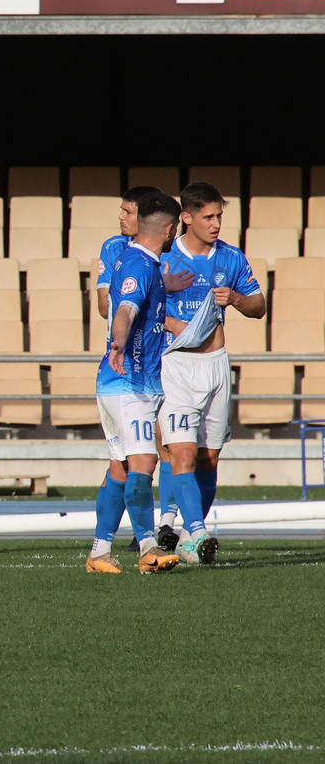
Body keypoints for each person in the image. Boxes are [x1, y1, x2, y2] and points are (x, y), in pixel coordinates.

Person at [156, 181, 266, 565]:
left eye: (220, 216)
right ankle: (199, 530)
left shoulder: (231, 258)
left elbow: (259, 305)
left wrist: (236, 299)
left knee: (209, 459)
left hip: (216, 365)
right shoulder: (164, 259)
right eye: (208, 217)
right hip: (176, 366)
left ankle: (188, 537)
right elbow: (135, 306)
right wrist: (168, 320)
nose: (216, 223)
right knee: (182, 451)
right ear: (186, 218)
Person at [86, 191, 182, 574]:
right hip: (130, 384)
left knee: (119, 469)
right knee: (144, 461)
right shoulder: (141, 265)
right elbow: (123, 309)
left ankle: (98, 552)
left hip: (117, 383)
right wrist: (119, 343)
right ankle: (147, 548)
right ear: (170, 229)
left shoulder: (137, 260)